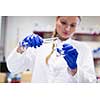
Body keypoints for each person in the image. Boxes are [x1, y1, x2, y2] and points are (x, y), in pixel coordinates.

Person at [7, 16, 97, 83]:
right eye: (63, 22)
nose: (67, 28)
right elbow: (13, 68)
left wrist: (74, 69)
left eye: (73, 25)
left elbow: (91, 83)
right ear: (56, 20)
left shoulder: (83, 49)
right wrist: (22, 47)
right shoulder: (39, 46)